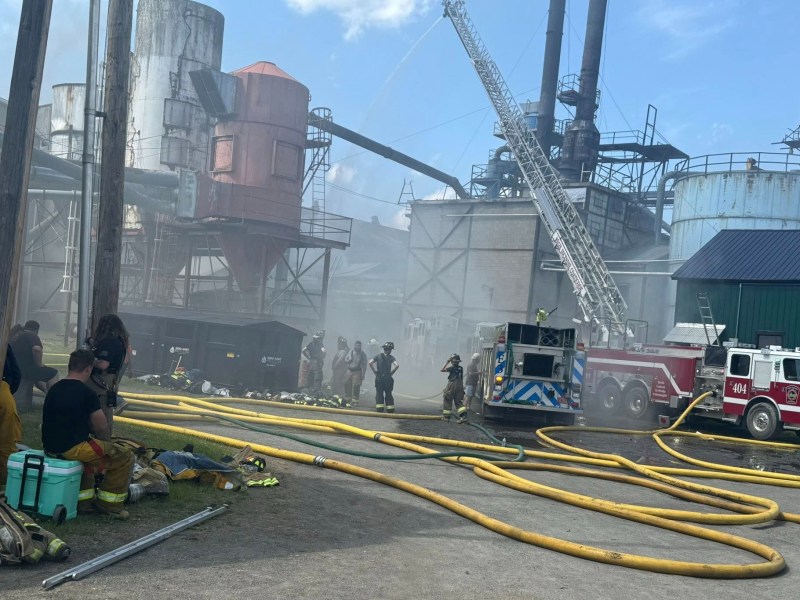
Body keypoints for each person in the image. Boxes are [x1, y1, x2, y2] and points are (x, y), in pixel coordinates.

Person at [41, 349, 134, 520]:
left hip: (50, 447)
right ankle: (110, 505)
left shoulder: (54, 389)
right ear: (88, 369)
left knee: (89, 459)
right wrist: (105, 439)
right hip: (72, 448)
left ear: (70, 366)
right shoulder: (87, 393)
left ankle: (83, 502)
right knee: (124, 456)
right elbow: (101, 425)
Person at [86, 314, 131, 434]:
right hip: (110, 379)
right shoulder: (119, 341)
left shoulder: (109, 342)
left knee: (96, 409)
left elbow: (103, 364)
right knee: (106, 411)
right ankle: (104, 440)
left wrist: (87, 359)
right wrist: (91, 341)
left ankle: (101, 440)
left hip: (100, 379)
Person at [9, 320, 58, 412]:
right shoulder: (32, 335)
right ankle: (55, 400)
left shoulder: (15, 335)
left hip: (13, 369)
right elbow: (37, 349)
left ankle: (48, 395)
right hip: (25, 370)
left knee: (38, 378)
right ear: (36, 330)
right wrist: (39, 364)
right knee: (53, 373)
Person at [0, 345, 22, 489]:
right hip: (2, 390)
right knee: (6, 442)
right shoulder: (3, 340)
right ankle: (5, 482)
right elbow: (16, 372)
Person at [369, 342, 398, 413]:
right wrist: (392, 373)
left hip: (379, 378)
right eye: (390, 349)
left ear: (384, 349)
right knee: (388, 393)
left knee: (379, 393)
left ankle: (380, 408)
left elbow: (370, 363)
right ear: (389, 350)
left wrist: (375, 371)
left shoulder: (378, 356)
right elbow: (397, 365)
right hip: (388, 379)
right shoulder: (391, 358)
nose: (391, 351)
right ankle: (390, 409)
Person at [441, 353, 468, 424]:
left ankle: (446, 417)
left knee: (447, 398)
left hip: (452, 384)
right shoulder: (461, 368)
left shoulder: (452, 368)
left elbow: (442, 370)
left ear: (452, 361)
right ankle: (464, 417)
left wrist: (447, 362)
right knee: (458, 401)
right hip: (460, 385)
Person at [344, 340, 368, 406]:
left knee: (356, 386)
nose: (358, 347)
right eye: (357, 345)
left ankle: (355, 401)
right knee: (347, 384)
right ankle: (347, 399)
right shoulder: (350, 352)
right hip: (349, 370)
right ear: (354, 346)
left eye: (359, 346)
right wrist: (348, 360)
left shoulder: (363, 354)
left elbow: (364, 365)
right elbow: (345, 360)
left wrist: (363, 374)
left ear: (360, 346)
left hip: (358, 371)